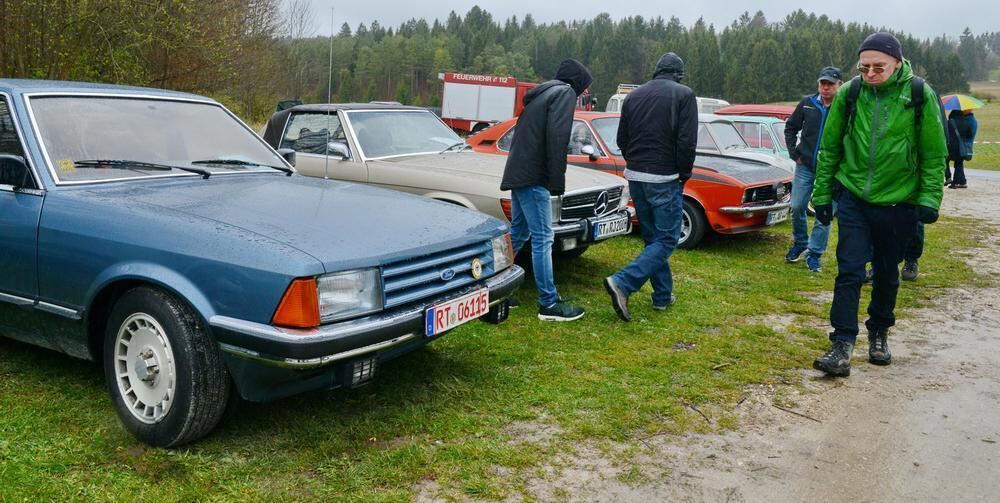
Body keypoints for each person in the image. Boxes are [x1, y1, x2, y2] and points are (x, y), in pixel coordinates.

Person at [810, 32, 946, 376]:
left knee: (886, 272)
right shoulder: (851, 94)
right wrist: (822, 194)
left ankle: (879, 331)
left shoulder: (918, 94)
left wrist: (929, 198)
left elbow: (933, 153)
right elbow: (830, 148)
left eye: (878, 67)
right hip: (854, 195)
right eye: (864, 67)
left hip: (899, 203)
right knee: (850, 270)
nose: (870, 74)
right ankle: (841, 343)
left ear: (897, 63)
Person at [603, 52, 697, 321]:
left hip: (635, 176)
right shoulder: (684, 95)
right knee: (666, 240)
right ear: (679, 74)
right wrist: (683, 174)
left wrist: (635, 161)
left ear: (657, 71)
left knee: (653, 240)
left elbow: (622, 138)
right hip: (665, 177)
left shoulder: (633, 96)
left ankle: (662, 296)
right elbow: (686, 141)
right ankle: (623, 282)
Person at [500, 58, 592, 321]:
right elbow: (557, 138)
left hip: (519, 174)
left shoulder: (540, 96)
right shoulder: (563, 94)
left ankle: (495, 290)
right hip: (534, 178)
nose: (581, 95)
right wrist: (556, 181)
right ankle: (548, 304)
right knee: (543, 237)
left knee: (517, 234)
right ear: (577, 83)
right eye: (583, 89)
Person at [784, 66, 843, 273]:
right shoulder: (807, 104)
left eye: (830, 84)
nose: (825, 88)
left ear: (839, 85)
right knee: (798, 205)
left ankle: (815, 253)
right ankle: (801, 243)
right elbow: (791, 127)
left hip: (831, 170)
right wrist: (794, 154)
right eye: (822, 83)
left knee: (824, 212)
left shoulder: (843, 107)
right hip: (805, 165)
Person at [946, 109, 978, 189]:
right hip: (961, 146)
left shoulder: (949, 122)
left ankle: (948, 177)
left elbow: (946, 134)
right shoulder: (966, 122)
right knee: (959, 164)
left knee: (946, 161)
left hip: (951, 146)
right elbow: (970, 134)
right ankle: (959, 181)